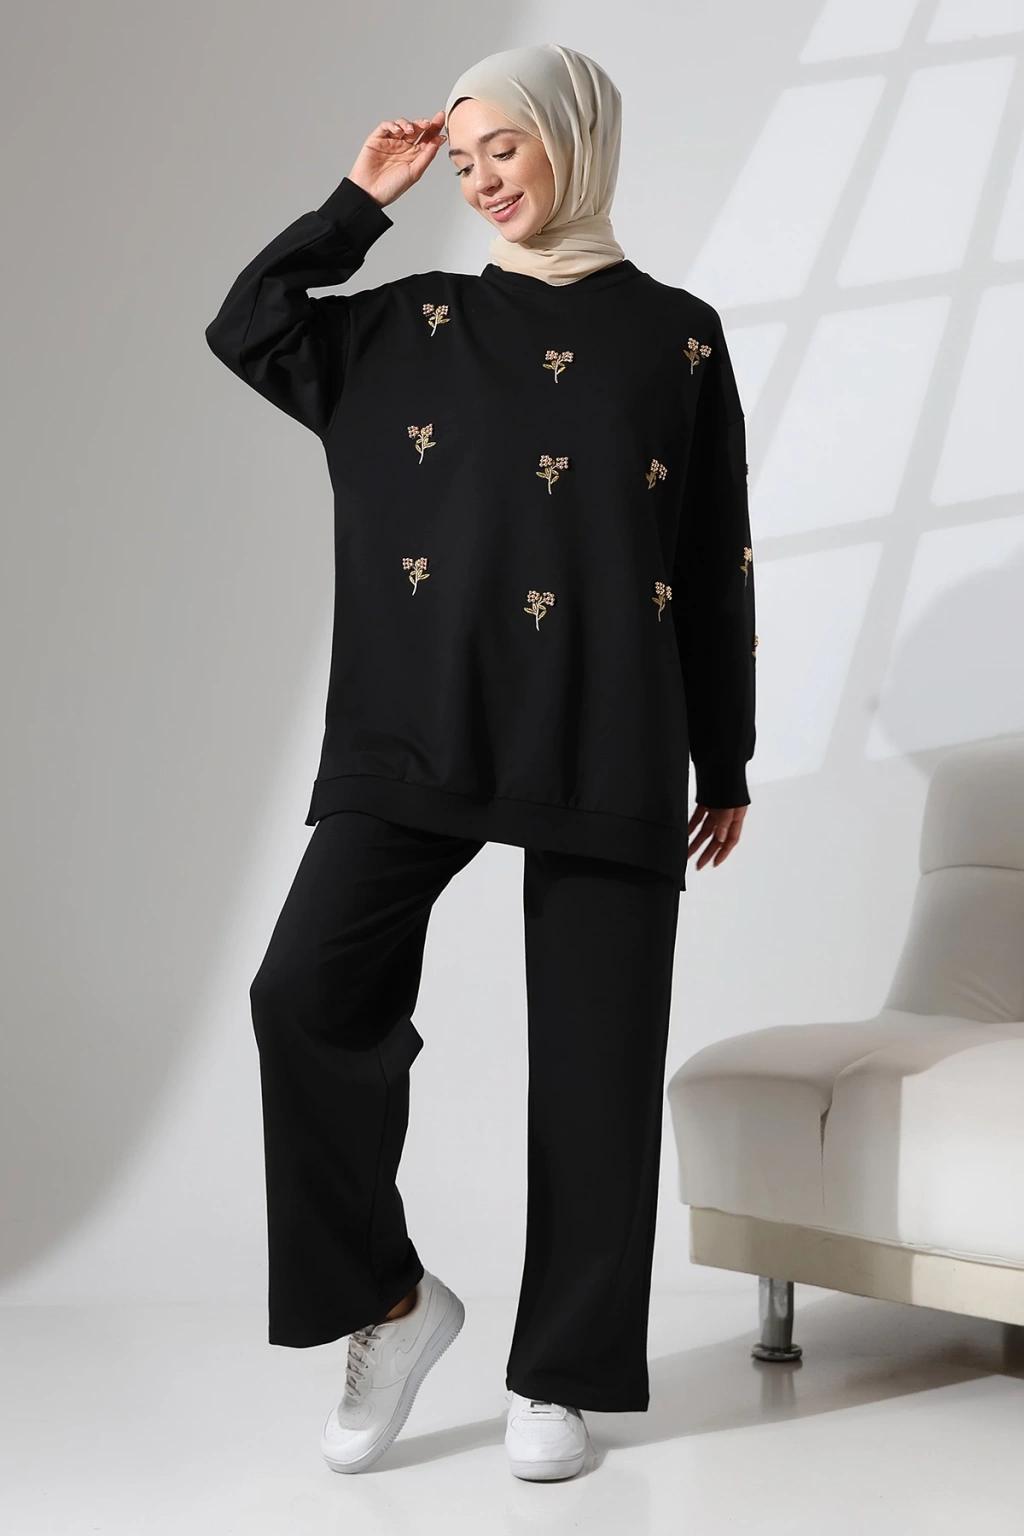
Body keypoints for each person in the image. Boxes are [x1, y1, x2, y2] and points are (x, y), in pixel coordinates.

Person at [204, 42, 756, 1483]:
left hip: (610, 727)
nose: (480, 178)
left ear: (575, 135)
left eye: (502, 146)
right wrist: (359, 202)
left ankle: (560, 1373)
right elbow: (249, 326)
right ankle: (389, 1301)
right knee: (302, 994)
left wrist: (728, 754)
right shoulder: (410, 324)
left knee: (595, 1065)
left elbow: (714, 553)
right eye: (461, 160)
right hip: (418, 720)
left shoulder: (679, 337)